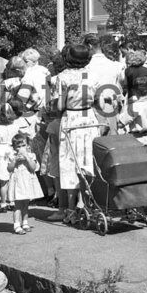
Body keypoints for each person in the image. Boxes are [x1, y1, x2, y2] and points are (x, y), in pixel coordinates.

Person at [56, 43, 102, 224]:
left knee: (69, 160)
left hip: (72, 118)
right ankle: (86, 201)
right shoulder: (93, 75)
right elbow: (98, 100)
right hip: (89, 117)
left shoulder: (62, 77)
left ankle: (70, 207)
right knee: (87, 159)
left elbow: (60, 105)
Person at [121, 78, 147, 218]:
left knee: (136, 175)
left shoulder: (134, 107)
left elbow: (121, 122)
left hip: (137, 140)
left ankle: (138, 206)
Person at [7, 131, 43, 234]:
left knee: (26, 204)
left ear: (27, 146)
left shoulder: (31, 155)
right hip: (18, 182)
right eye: (19, 146)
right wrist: (15, 161)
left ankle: (25, 222)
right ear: (14, 148)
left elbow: (33, 168)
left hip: (27, 182)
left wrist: (27, 157)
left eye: (24, 145)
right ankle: (16, 225)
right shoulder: (12, 156)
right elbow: (9, 169)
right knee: (18, 205)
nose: (21, 148)